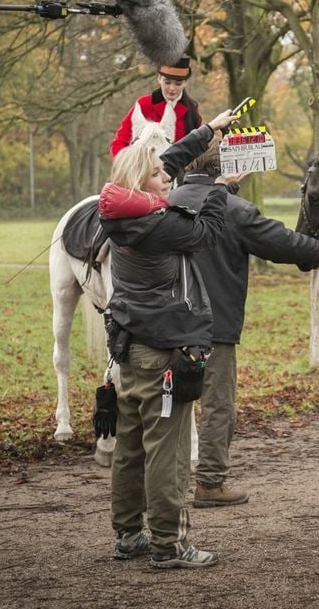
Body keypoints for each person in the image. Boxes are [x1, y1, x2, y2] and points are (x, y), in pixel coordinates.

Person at [100, 126, 244, 570]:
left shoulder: (122, 212)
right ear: (141, 182)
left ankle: (128, 534)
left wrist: (207, 133)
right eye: (159, 175)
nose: (168, 178)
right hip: (163, 353)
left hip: (130, 349)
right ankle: (168, 544)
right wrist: (220, 188)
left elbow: (168, 165)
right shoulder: (160, 226)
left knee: (131, 446)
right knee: (169, 450)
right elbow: (207, 232)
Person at [168, 137, 319, 508]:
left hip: (164, 326)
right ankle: (210, 485)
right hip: (214, 327)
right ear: (227, 169)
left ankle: (164, 485)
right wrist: (318, 249)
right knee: (217, 406)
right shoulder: (233, 209)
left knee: (170, 405)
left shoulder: (167, 203)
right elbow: (279, 241)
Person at [110, 55, 202, 157]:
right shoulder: (144, 104)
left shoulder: (192, 109)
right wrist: (126, 165)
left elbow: (196, 147)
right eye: (167, 82)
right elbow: (120, 141)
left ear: (185, 83)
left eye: (178, 84)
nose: (172, 88)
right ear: (159, 79)